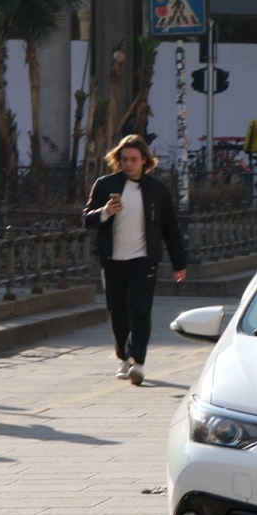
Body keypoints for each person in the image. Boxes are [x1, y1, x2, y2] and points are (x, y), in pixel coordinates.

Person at [81, 135, 188, 387]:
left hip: (143, 259)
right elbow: (86, 218)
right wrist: (105, 212)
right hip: (112, 259)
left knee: (139, 311)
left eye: (134, 159)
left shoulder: (157, 190)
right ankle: (123, 358)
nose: (129, 164)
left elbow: (169, 228)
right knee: (117, 312)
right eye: (124, 159)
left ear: (144, 161)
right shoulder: (105, 185)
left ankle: (137, 362)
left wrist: (179, 262)